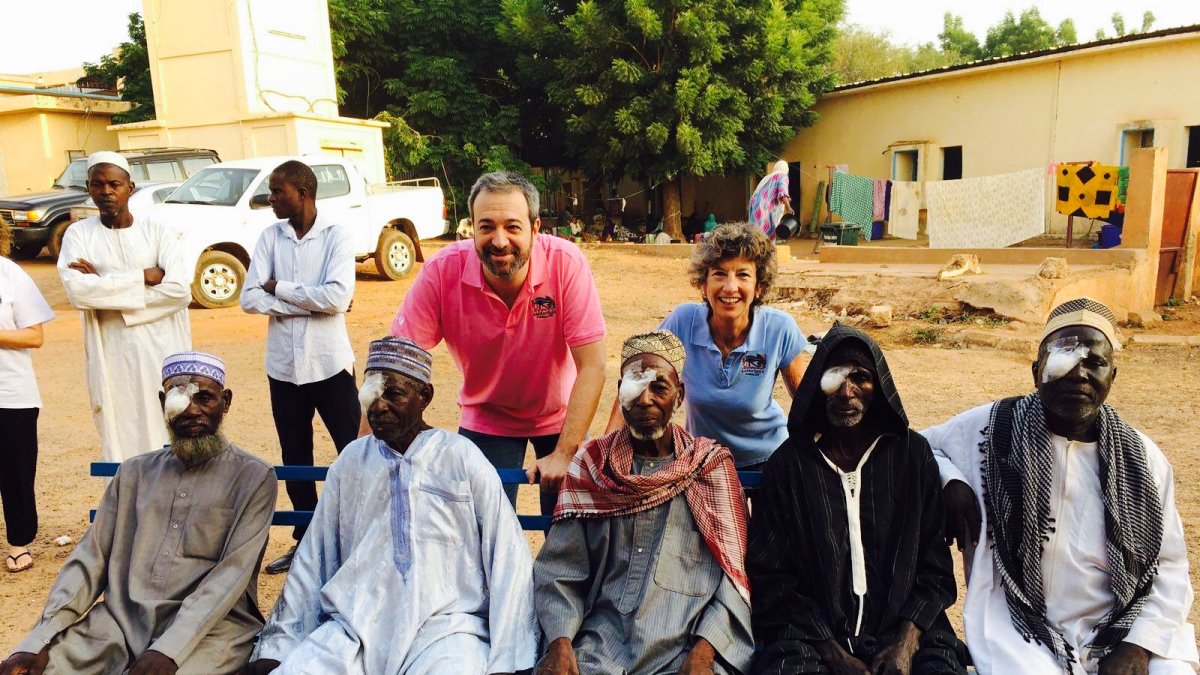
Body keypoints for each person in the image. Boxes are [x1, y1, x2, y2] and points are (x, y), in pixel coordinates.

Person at [923, 298, 1198, 675]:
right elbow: (913, 447)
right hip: (1019, 625)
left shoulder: (1144, 460)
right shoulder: (990, 430)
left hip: (1126, 621)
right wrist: (948, 479)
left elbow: (1169, 564)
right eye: (1064, 359)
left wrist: (1138, 644)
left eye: (1095, 362)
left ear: (1112, 377)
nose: (1078, 374)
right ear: (1037, 372)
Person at [244, 337, 537, 675]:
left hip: (447, 630)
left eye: (393, 394)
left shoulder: (461, 456)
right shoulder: (351, 462)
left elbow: (507, 555)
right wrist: (278, 647)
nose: (379, 407)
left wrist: (509, 657)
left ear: (424, 396)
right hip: (355, 626)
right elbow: (314, 558)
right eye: (371, 395)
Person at [1, 352, 276, 675]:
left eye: (204, 398)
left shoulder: (253, 477)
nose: (192, 411)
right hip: (120, 622)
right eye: (179, 398)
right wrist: (38, 640)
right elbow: (91, 560)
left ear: (225, 402)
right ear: (163, 402)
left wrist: (168, 650)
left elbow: (231, 575)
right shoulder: (134, 473)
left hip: (214, 629)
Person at [747, 324, 966, 675]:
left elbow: (935, 569)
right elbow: (772, 577)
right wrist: (835, 656)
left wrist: (905, 645)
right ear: (816, 385)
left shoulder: (912, 456)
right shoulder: (788, 466)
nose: (846, 393)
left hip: (908, 630)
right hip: (811, 638)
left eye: (860, 378)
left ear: (878, 386)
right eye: (834, 378)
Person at [535, 331, 754, 675]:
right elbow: (561, 570)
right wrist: (560, 643)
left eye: (659, 387)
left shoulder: (709, 467)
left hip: (685, 650)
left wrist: (703, 655)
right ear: (620, 391)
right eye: (635, 386)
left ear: (679, 395)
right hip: (599, 649)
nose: (645, 399)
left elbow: (735, 579)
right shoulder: (594, 466)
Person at [391, 171, 606, 514]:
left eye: (513, 227)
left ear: (536, 229)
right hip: (487, 413)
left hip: (560, 412)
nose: (500, 240)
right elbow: (396, 364)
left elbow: (593, 365)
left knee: (568, 533)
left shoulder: (566, 263)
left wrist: (565, 453)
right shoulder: (442, 270)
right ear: (470, 228)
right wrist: (366, 452)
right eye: (487, 226)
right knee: (482, 531)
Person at [240, 160, 360, 575]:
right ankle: (305, 544)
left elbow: (337, 298)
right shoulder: (269, 237)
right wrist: (307, 304)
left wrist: (280, 288)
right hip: (284, 367)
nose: (270, 199)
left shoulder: (337, 236)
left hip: (330, 364)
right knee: (296, 457)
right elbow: (249, 298)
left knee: (355, 451)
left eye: (277, 191)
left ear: (302, 194)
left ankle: (360, 541)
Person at [607, 222, 805, 471]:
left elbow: (807, 403)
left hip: (770, 460)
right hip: (704, 460)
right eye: (719, 274)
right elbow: (635, 377)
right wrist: (608, 449)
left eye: (743, 275)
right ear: (703, 284)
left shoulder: (779, 328)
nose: (730, 287)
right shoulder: (683, 321)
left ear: (759, 287)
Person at [57, 151, 192, 462]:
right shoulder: (78, 235)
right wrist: (143, 276)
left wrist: (104, 287)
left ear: (130, 188)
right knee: (121, 424)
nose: (105, 191)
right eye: (97, 184)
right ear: (89, 189)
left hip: (163, 346)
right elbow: (77, 292)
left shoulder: (157, 231)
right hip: (112, 351)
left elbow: (178, 291)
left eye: (114, 184)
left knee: (169, 416)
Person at [0, 228, 54, 574]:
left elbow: (35, 335)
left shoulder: (10, 275)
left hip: (10, 392)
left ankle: (19, 541)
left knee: (16, 471)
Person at [748, 160, 793, 242]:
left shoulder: (767, 177)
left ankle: (753, 250)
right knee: (768, 230)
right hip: (766, 206)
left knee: (755, 232)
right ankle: (767, 252)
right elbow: (783, 193)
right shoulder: (783, 176)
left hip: (756, 203)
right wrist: (789, 207)